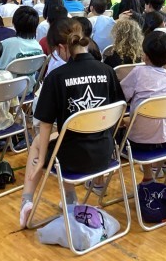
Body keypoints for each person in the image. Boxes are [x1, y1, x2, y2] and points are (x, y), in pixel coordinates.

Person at [19, 19, 124, 227]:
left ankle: (27, 200)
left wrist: (40, 162)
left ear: (61, 47)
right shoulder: (107, 71)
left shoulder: (56, 77)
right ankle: (69, 200)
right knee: (67, 139)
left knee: (42, 141)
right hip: (105, 153)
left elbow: (45, 124)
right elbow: (119, 111)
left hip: (71, 160)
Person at [120, 31, 166, 183]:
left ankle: (148, 175)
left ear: (145, 55)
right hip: (165, 138)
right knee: (155, 119)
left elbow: (121, 96)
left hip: (137, 141)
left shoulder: (138, 72)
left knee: (125, 121)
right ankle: (159, 169)